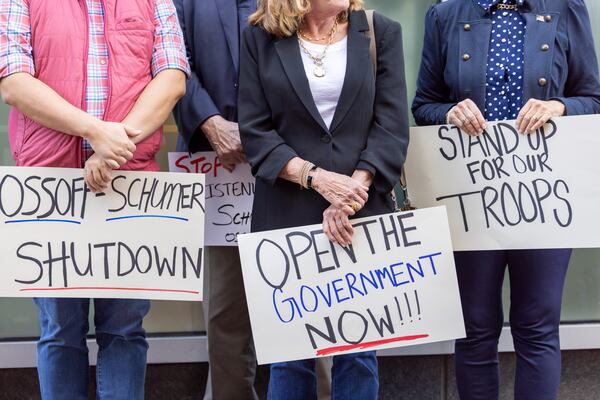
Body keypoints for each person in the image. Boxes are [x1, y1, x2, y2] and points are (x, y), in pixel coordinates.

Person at [0, 0, 189, 398]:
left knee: (125, 331)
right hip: (51, 190)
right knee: (59, 332)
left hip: (129, 188)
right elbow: (14, 82)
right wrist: (94, 131)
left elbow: (172, 78)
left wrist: (113, 149)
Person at [412, 0, 600, 399]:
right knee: (475, 327)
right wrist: (449, 113)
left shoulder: (565, 7)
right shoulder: (445, 14)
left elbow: (594, 99)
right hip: (470, 197)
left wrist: (559, 106)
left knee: (538, 325)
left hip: (545, 194)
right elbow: (423, 105)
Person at [239, 0, 409, 398]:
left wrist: (352, 190)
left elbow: (392, 123)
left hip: (361, 209)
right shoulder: (258, 39)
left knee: (359, 350)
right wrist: (315, 178)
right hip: (286, 210)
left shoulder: (380, 31)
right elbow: (255, 131)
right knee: (291, 356)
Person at [171, 1, 259, 399]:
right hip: (218, 165)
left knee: (305, 297)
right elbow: (172, 61)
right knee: (226, 310)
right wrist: (210, 122)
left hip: (295, 163)